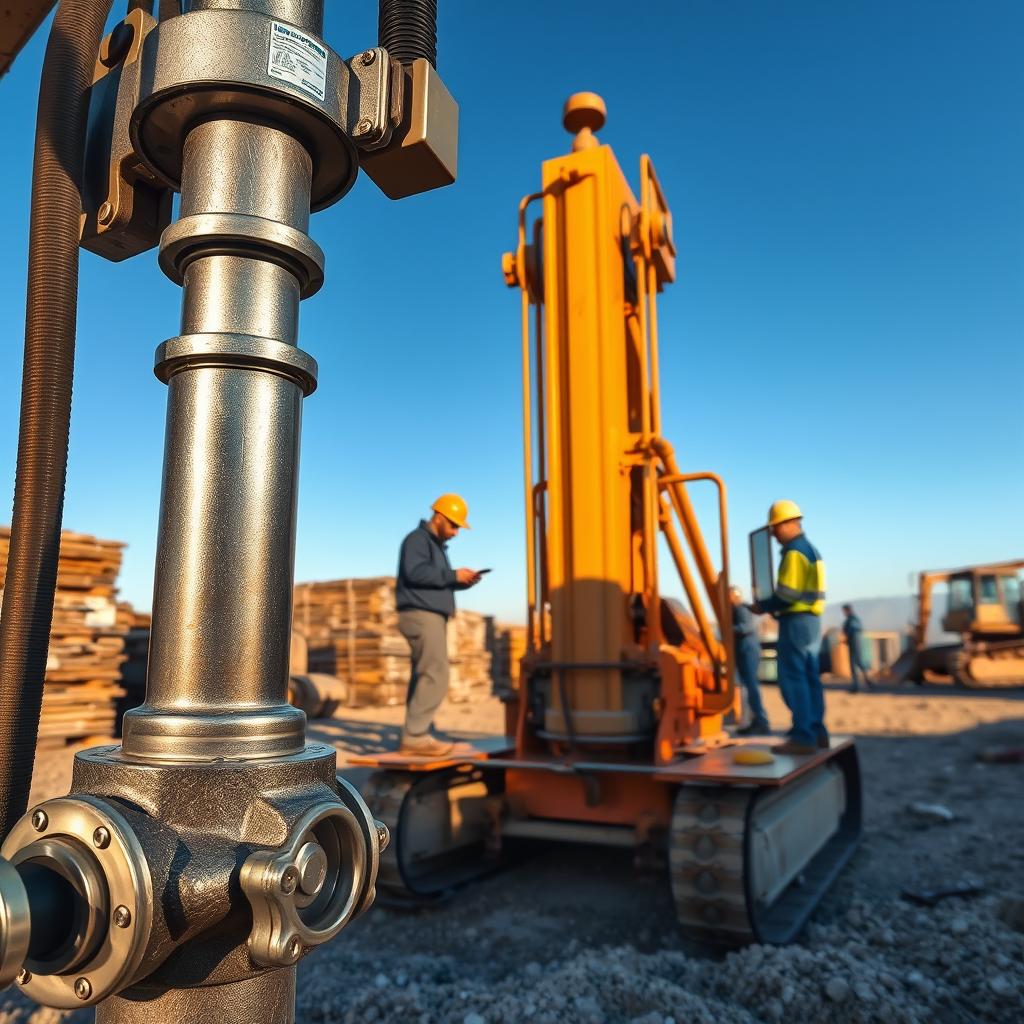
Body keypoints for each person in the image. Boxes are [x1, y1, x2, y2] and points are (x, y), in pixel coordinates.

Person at [395, 494, 483, 756]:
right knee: (437, 674)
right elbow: (415, 573)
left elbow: (431, 579)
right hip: (421, 615)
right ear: (439, 517)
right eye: (454, 525)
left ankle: (415, 733)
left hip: (428, 615)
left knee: (425, 674)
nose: (456, 532)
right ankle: (415, 737)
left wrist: (459, 581)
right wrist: (453, 575)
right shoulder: (417, 540)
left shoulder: (434, 545)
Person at [751, 500, 827, 755]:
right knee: (809, 677)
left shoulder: (795, 552)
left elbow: (788, 594)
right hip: (811, 621)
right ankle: (817, 733)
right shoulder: (811, 550)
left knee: (793, 678)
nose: (772, 534)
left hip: (796, 621)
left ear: (788, 523)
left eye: (775, 528)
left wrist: (763, 605)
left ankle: (803, 736)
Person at [730, 586, 770, 735]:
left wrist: (728, 629)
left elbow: (745, 627)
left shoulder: (741, 609)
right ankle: (755, 720)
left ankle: (761, 720)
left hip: (747, 649)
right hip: (743, 649)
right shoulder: (736, 609)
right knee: (747, 686)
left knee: (751, 685)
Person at [842, 603, 871, 693]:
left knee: (854, 664)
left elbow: (853, 631)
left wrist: (848, 636)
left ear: (848, 610)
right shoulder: (851, 619)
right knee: (858, 663)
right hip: (853, 643)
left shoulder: (852, 620)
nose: (844, 613)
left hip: (854, 643)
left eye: (844, 611)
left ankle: (856, 685)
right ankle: (866, 681)